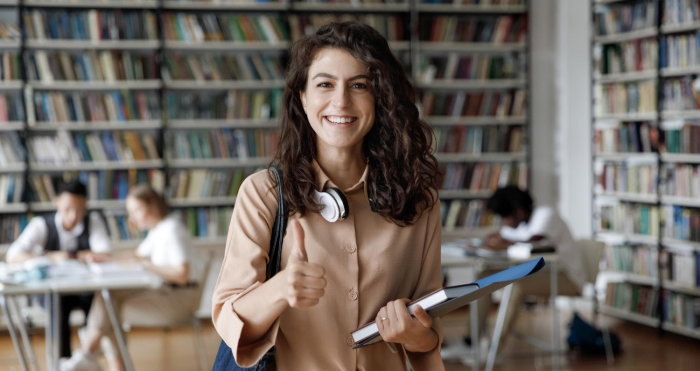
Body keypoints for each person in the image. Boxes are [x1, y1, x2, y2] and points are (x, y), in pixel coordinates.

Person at [212, 21, 445, 370]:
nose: (341, 101)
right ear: (302, 98)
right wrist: (280, 289)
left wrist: (414, 333)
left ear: (380, 97)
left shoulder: (419, 199)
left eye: (359, 85)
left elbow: (430, 331)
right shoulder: (264, 194)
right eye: (325, 84)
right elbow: (230, 320)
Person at [61, 185, 202, 371]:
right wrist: (104, 258)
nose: (133, 218)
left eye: (136, 210)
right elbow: (137, 256)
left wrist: (147, 265)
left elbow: (182, 275)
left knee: (110, 306)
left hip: (177, 300)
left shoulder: (172, 230)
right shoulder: (158, 231)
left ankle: (90, 356)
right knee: (108, 298)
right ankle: (93, 357)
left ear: (152, 207)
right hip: (164, 293)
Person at [6, 180, 112, 359]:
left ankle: (88, 356)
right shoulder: (41, 224)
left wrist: (73, 256)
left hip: (83, 290)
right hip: (53, 292)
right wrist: (50, 257)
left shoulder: (92, 221)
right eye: (68, 209)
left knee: (99, 302)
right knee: (59, 305)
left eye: (79, 210)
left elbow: (105, 254)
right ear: (57, 202)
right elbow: (13, 256)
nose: (73, 216)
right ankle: (64, 360)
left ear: (85, 204)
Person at [475, 186, 586, 344]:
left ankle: (494, 348)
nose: (504, 222)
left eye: (506, 217)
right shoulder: (519, 224)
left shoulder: (546, 214)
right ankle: (471, 340)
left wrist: (502, 243)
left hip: (565, 277)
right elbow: (500, 236)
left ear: (518, 211)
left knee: (516, 286)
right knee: (485, 276)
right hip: (541, 273)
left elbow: (533, 242)